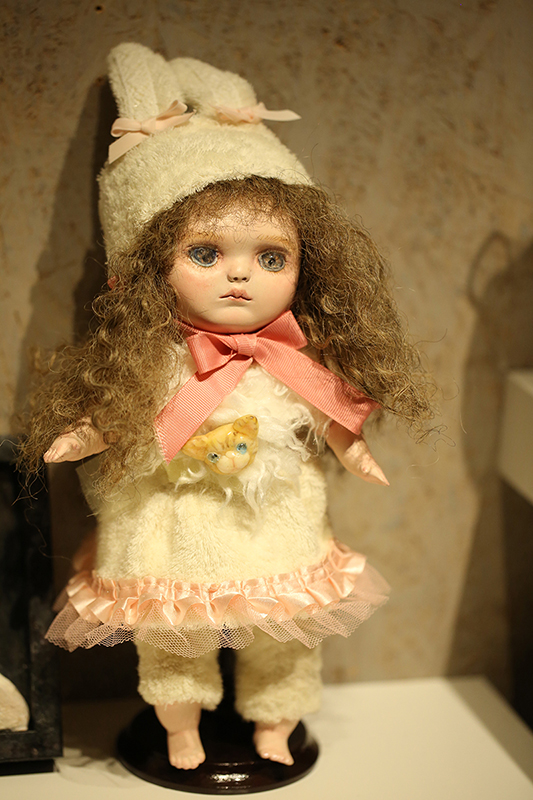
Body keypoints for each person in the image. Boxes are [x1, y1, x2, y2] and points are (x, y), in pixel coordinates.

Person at [20, 44, 434, 770]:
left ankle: (276, 719)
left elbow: (328, 407)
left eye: (270, 257)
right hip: (172, 521)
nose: (240, 275)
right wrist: (84, 435)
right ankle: (180, 727)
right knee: (173, 633)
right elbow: (123, 411)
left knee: (285, 630)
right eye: (205, 253)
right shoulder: (154, 357)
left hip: (274, 519)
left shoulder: (294, 352)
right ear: (148, 265)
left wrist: (353, 447)